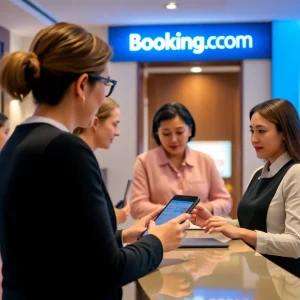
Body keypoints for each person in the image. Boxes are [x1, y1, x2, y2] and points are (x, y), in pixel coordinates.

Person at [0, 22, 191, 299]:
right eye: (107, 84)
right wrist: (157, 242)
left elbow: (55, 250)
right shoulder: (66, 149)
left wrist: (124, 236)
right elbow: (106, 270)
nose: (104, 96)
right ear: (81, 85)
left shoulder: (18, 141)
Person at [192, 99, 300, 277]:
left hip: (288, 281)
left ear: (284, 133)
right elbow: (247, 225)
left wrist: (240, 232)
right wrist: (214, 222)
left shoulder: (295, 173)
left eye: (261, 131)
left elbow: (295, 245)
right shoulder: (259, 173)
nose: (254, 139)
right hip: (263, 276)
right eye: (252, 131)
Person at [130, 102, 232, 219]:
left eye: (179, 132)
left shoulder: (205, 161)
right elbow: (137, 207)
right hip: (159, 232)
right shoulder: (144, 162)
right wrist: (174, 211)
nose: (173, 139)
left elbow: (225, 201)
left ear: (190, 130)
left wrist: (205, 208)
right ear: (157, 133)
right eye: (166, 133)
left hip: (200, 232)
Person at [74, 97, 130, 224]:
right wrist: (112, 217)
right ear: (95, 123)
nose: (118, 132)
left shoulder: (84, 156)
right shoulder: (80, 159)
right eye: (114, 124)